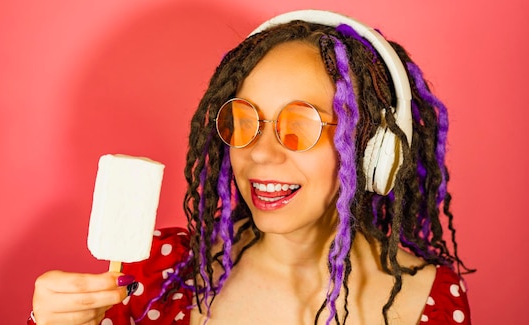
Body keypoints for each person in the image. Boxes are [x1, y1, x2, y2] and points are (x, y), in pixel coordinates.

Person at [30, 9, 473, 325]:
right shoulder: (153, 275)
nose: (260, 153)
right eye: (244, 121)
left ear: (373, 150)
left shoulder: (431, 299)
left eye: (300, 125)